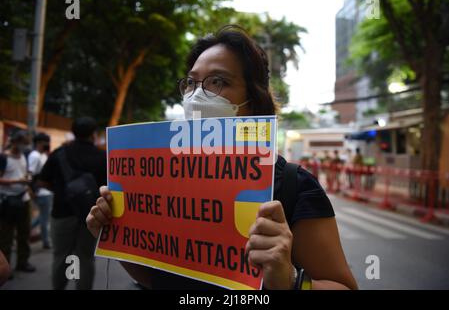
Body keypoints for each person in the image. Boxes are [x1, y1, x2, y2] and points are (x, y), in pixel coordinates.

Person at [86, 26, 358, 290]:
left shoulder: (294, 185)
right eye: (191, 82)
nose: (197, 95)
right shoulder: (165, 182)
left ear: (252, 100)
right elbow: (157, 280)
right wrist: (115, 236)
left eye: (218, 81)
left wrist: (290, 282)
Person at [38, 117, 107, 290]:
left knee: (61, 256)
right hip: (91, 215)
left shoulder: (59, 153)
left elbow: (42, 181)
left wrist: (62, 192)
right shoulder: (102, 156)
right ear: (93, 134)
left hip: (61, 212)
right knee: (85, 257)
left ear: (73, 132)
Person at [0, 130, 36, 274]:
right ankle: (5, 268)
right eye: (23, 143)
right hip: (7, 201)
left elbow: (23, 172)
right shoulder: (3, 157)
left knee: (24, 233)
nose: (24, 146)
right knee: (6, 236)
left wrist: (26, 181)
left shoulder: (23, 156)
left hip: (23, 198)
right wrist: (18, 180)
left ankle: (23, 262)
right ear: (14, 142)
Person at [28, 132, 53, 249]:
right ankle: (46, 242)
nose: (48, 144)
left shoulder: (42, 155)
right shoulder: (35, 155)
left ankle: (25, 231)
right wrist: (31, 190)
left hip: (47, 191)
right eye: (45, 142)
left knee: (44, 216)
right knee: (44, 218)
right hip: (41, 192)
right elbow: (30, 175)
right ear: (38, 143)